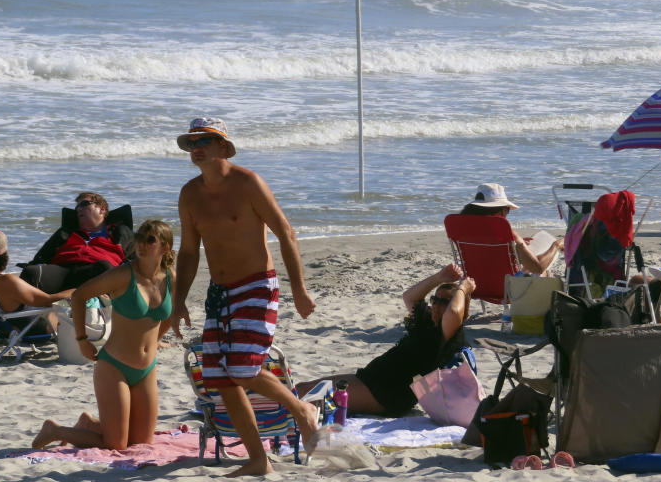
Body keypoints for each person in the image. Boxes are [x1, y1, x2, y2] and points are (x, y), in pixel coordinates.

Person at [170, 117, 318, 477]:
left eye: (204, 141)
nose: (196, 148)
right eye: (191, 143)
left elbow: (286, 233)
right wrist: (178, 302)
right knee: (219, 379)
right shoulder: (190, 194)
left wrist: (299, 289)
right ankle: (258, 460)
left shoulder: (248, 182)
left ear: (223, 146)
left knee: (244, 368)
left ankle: (302, 411)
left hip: (257, 286)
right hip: (219, 294)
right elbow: (189, 252)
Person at [32, 219, 175, 450]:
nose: (142, 244)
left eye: (150, 240)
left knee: (140, 444)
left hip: (147, 369)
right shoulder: (123, 275)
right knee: (116, 445)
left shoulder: (170, 277)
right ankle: (54, 430)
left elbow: (170, 312)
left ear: (165, 247)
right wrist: (82, 340)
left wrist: (157, 340)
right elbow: (79, 296)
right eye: (139, 238)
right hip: (115, 366)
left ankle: (89, 423)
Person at [296, 265, 475, 417]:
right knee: (302, 389)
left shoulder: (448, 334)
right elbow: (409, 297)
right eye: (435, 299)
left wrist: (463, 289)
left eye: (445, 301)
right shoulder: (426, 323)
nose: (436, 305)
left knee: (305, 394)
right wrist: (439, 277)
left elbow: (454, 313)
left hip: (387, 394)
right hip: (371, 380)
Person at [20, 192, 135, 293]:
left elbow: (137, 260)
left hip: (96, 273)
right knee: (31, 272)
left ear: (102, 209)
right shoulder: (66, 233)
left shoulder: (120, 232)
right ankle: (19, 316)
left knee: (104, 267)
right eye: (77, 207)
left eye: (84, 204)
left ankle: (75, 298)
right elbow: (42, 257)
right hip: (64, 272)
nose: (79, 208)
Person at [0, 230, 73, 333]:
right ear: (5, 256)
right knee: (69, 303)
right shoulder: (7, 282)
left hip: (2, 326)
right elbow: (48, 300)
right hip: (31, 328)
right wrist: (77, 290)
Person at [460, 183, 563, 275]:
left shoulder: (463, 229)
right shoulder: (504, 231)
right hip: (507, 288)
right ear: (501, 211)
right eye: (507, 210)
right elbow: (537, 268)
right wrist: (556, 245)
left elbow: (488, 255)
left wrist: (513, 246)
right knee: (545, 273)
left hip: (474, 284)